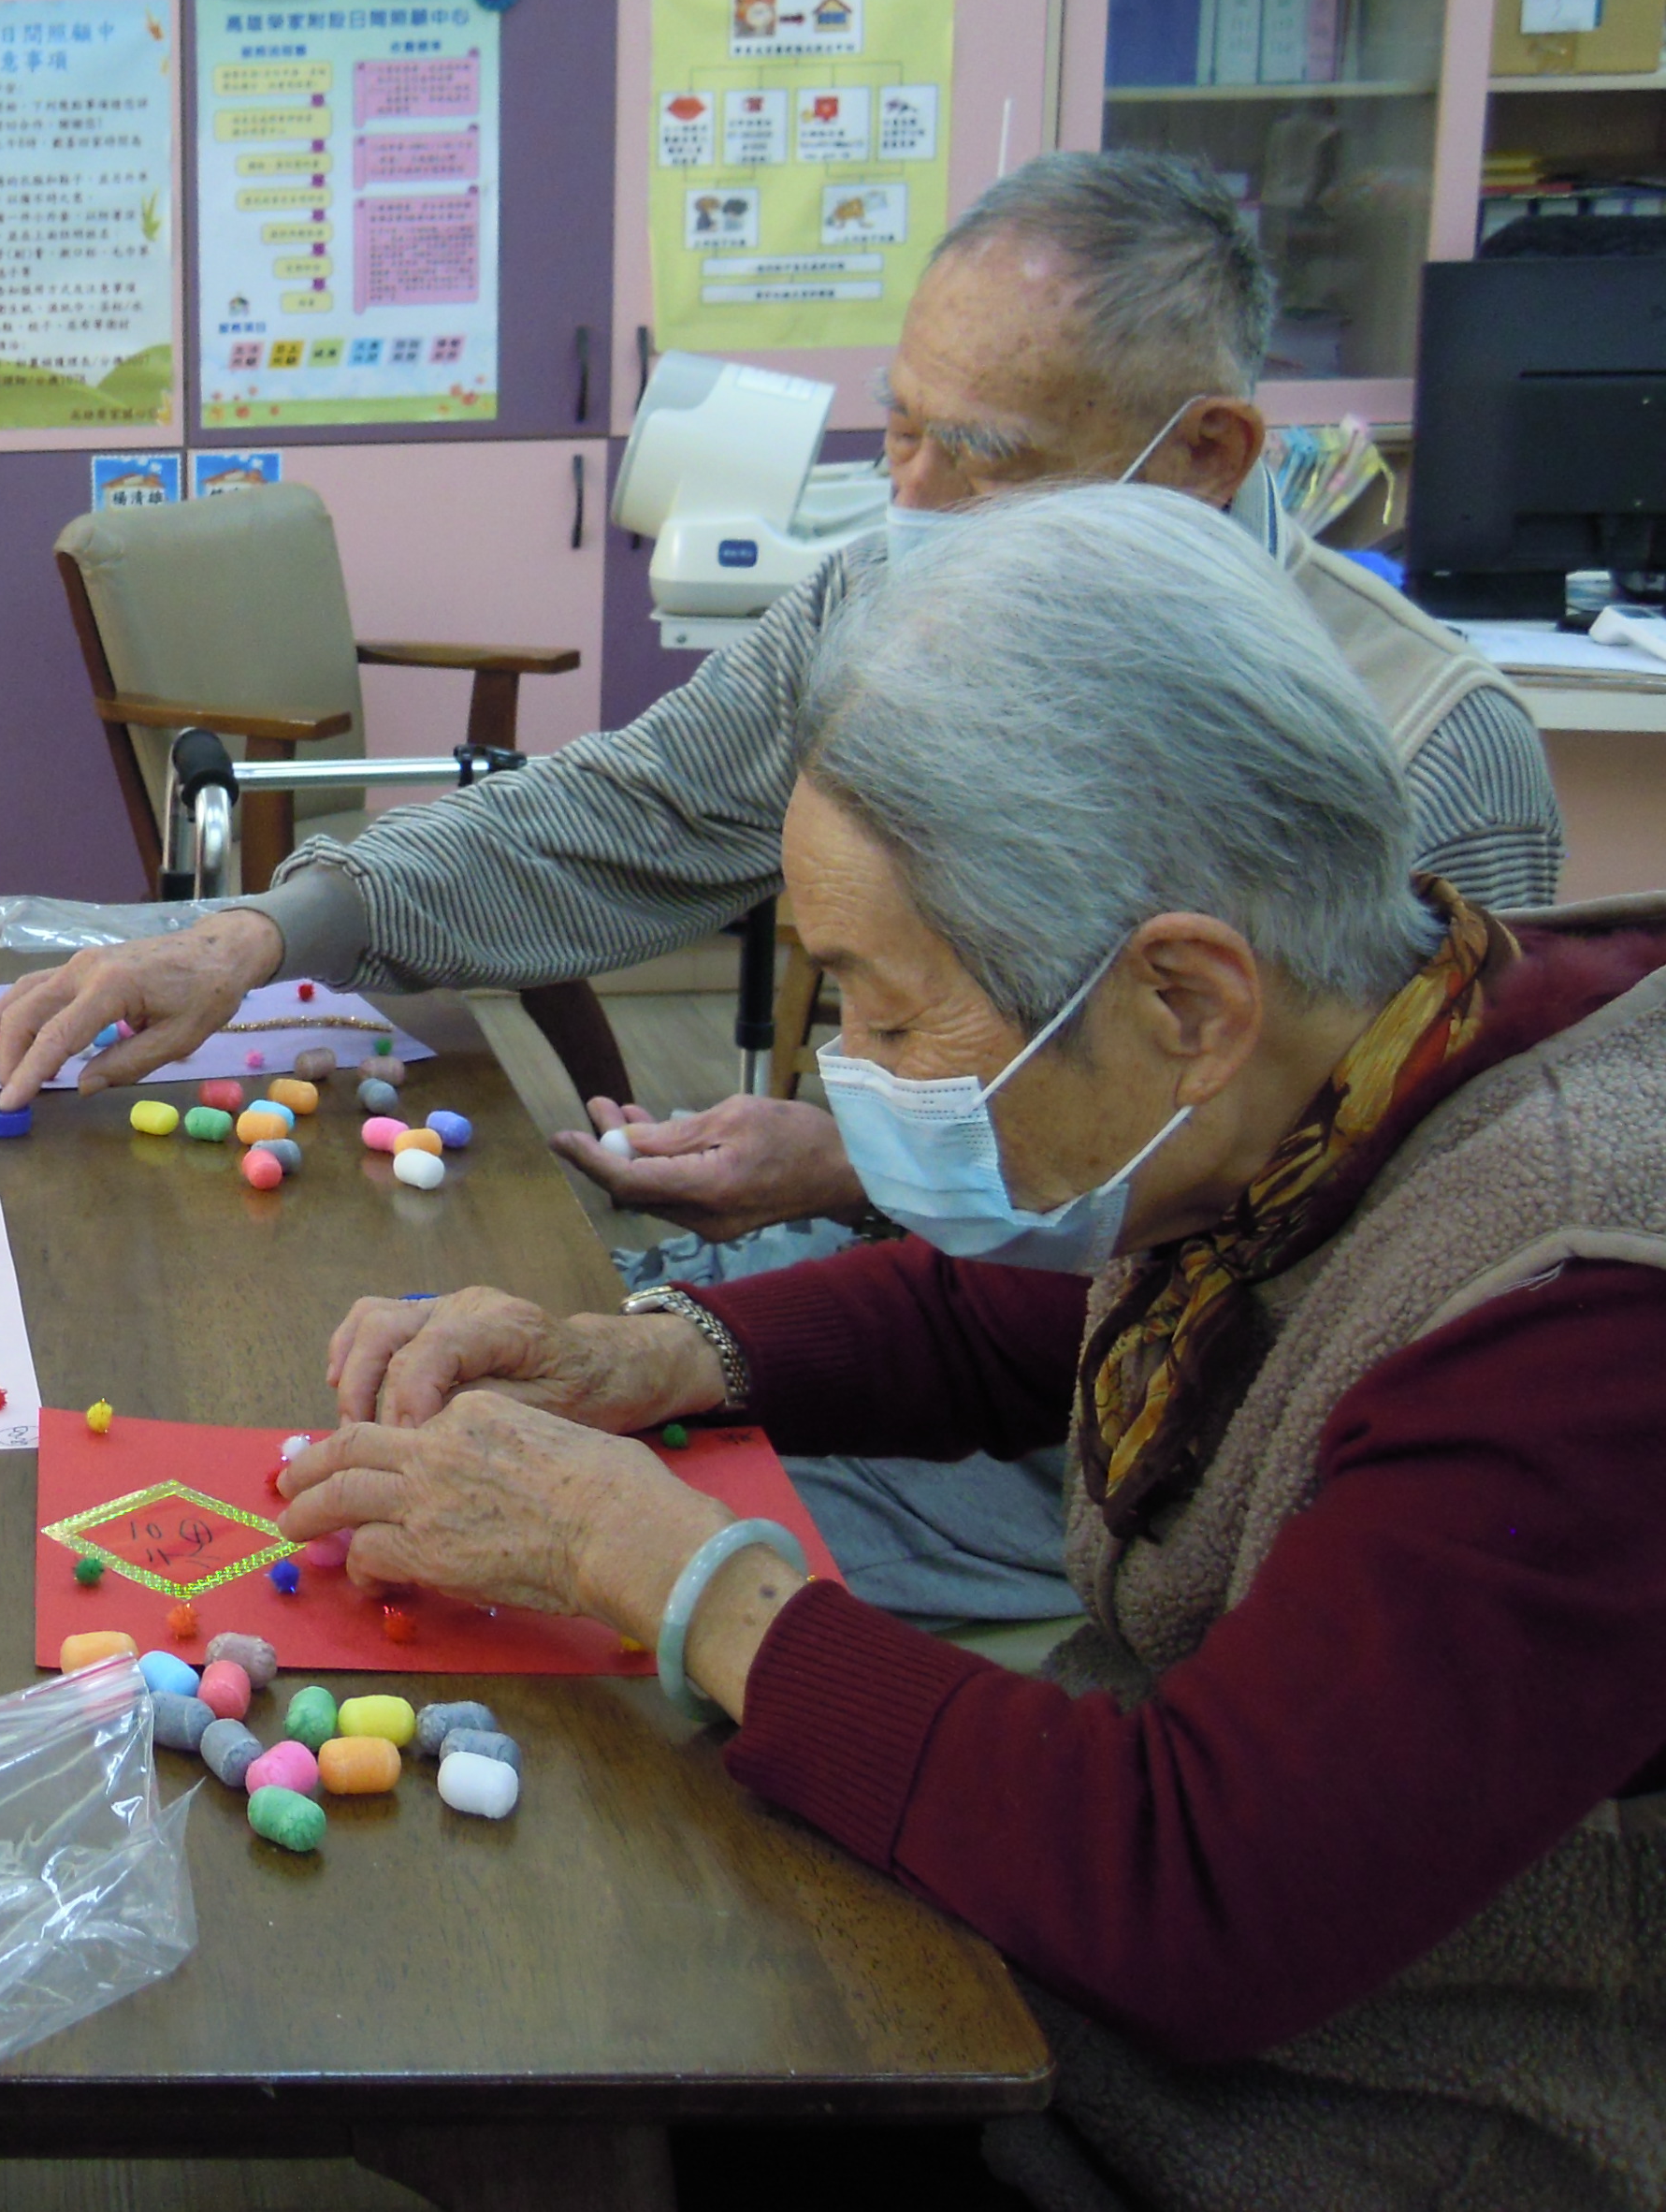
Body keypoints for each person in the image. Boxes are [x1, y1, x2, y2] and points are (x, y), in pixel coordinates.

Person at [286, 488, 1666, 2211]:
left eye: (886, 1007)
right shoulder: (1338, 1061)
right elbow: (1020, 1310)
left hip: (1364, 2116)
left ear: (1186, 1001)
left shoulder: (1579, 1310)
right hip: (1134, 1984)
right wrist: (645, 1354)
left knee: (513, 2000)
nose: (849, 1072)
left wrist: (664, 1569)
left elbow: (1203, 1891)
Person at [0, 153, 1563, 1615]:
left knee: (487, 1584)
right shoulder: (890, 590)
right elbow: (630, 812)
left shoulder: (1429, 752)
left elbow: (1325, 1320)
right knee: (392, 1427)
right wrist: (263, 933)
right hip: (884, 1305)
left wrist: (870, 1157)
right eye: (902, 430)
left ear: (1205, 452)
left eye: (986, 458)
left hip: (1107, 1454)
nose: (915, 502)